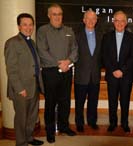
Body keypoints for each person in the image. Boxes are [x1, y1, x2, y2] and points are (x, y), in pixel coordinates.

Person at [36, 3, 78, 143]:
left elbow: (75, 49)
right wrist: (60, 63)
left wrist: (69, 61)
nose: (57, 17)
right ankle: (49, 131)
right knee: (50, 103)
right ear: (49, 15)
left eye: (59, 14)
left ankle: (64, 127)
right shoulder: (42, 31)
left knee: (65, 101)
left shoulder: (69, 30)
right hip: (50, 72)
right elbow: (42, 51)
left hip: (67, 71)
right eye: (54, 14)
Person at [4, 13, 44, 146]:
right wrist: (20, 88)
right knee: (21, 118)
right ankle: (21, 143)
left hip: (34, 86)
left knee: (32, 116)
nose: (28, 27)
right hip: (21, 89)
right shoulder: (12, 43)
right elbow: (11, 69)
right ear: (19, 26)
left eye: (30, 24)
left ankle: (29, 138)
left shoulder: (31, 42)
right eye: (25, 24)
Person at [101, 10, 133, 133]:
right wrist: (113, 70)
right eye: (117, 20)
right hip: (111, 75)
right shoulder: (107, 37)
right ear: (113, 22)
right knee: (112, 101)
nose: (120, 23)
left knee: (125, 101)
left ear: (126, 23)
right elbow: (104, 56)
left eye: (122, 21)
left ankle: (125, 123)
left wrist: (122, 70)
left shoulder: (132, 38)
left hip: (126, 76)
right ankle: (113, 122)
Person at [74, 10, 102, 132]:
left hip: (95, 75)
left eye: (93, 19)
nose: (91, 21)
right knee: (79, 102)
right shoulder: (76, 35)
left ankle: (92, 121)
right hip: (81, 75)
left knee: (93, 101)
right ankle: (79, 123)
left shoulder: (101, 35)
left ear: (96, 21)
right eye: (88, 18)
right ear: (84, 20)